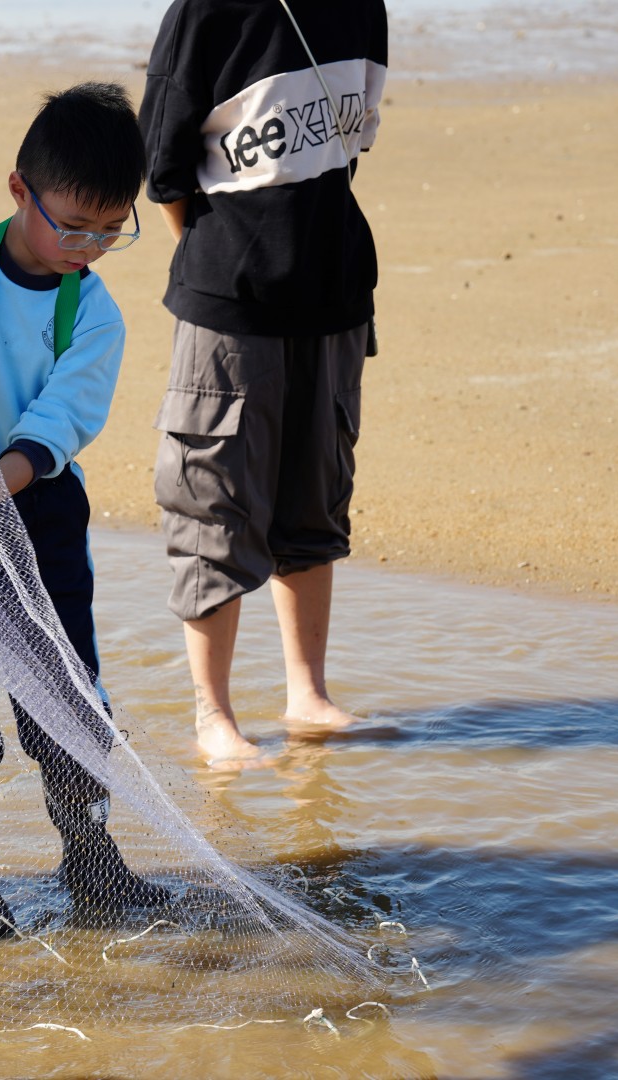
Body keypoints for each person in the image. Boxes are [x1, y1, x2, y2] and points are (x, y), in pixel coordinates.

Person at [0, 82, 169, 940]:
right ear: (20, 189)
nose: (89, 247)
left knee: (66, 690)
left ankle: (93, 863)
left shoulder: (92, 310)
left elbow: (57, 423)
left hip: (40, 508)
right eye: (74, 226)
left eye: (111, 231)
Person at [139, 0, 388, 767]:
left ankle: (307, 695)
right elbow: (162, 166)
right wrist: (229, 260)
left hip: (336, 291)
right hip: (230, 303)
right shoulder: (207, 11)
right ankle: (213, 716)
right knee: (210, 503)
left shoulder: (363, 6)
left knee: (316, 497)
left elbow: (348, 144)